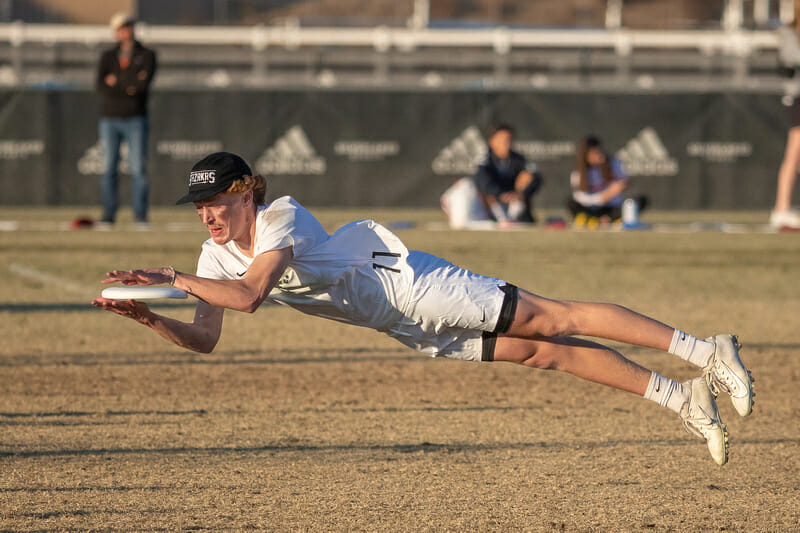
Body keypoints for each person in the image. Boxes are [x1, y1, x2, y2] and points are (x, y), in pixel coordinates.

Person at [92, 152, 754, 466]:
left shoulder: (278, 216)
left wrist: (172, 277)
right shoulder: (211, 260)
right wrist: (154, 317)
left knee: (554, 317)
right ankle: (685, 400)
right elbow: (208, 336)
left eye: (214, 202)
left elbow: (251, 298)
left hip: (408, 281)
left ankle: (705, 350)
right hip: (397, 322)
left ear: (245, 193)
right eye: (199, 208)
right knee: (544, 353)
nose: (206, 216)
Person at [95, 12, 157, 227]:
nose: (125, 31)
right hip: (110, 118)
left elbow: (141, 86)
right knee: (108, 168)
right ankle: (108, 215)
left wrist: (117, 82)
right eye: (121, 28)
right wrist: (128, 83)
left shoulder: (146, 55)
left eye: (128, 26)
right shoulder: (108, 56)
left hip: (135, 118)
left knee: (138, 168)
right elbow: (100, 85)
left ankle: (140, 215)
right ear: (116, 31)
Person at [567, 135, 646, 227]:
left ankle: (605, 219)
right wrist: (604, 196)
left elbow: (625, 181)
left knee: (637, 202)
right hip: (592, 209)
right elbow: (580, 197)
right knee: (571, 203)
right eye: (595, 153)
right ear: (586, 155)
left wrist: (621, 186)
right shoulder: (579, 173)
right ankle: (593, 219)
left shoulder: (613, 163)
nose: (599, 155)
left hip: (613, 208)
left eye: (600, 151)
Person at [473, 124, 542, 224]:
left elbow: (536, 178)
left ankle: (517, 217)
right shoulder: (485, 160)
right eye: (501, 140)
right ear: (492, 142)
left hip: (514, 201)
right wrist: (501, 194)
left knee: (526, 176)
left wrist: (520, 194)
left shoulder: (519, 159)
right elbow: (484, 182)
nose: (506, 143)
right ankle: (498, 217)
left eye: (508, 139)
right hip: (494, 201)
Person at [772, 17, 800, 230]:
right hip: (797, 97)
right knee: (794, 151)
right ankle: (781, 209)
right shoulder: (790, 33)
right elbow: (790, 59)